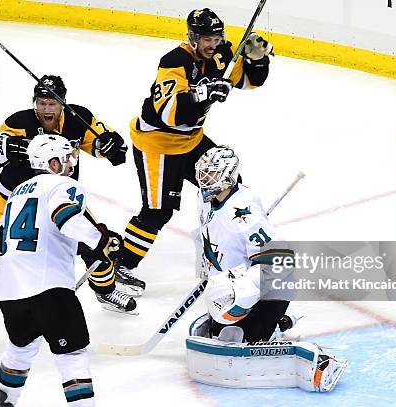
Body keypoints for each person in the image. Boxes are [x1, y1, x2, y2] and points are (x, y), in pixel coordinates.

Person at [0, 75, 129, 336]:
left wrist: (110, 145)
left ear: (63, 104)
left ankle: (107, 292)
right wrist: (5, 148)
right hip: (16, 203)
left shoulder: (79, 119)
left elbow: (114, 151)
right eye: (41, 103)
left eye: (51, 104)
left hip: (59, 198)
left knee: (95, 245)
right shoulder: (19, 123)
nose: (45, 109)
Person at [113, 8, 274, 296]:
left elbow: (249, 80)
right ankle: (120, 265)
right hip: (157, 145)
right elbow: (169, 113)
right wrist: (204, 93)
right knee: (157, 212)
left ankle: (218, 251)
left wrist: (257, 60)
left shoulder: (221, 53)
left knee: (227, 187)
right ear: (193, 37)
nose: (213, 44)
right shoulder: (174, 61)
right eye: (207, 39)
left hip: (192, 140)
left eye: (217, 37)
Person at [185, 146, 347, 393]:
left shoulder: (243, 216)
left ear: (227, 175)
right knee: (223, 335)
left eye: (211, 174)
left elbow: (279, 260)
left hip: (269, 289)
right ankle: (270, 323)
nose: (203, 180)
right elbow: (205, 233)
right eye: (203, 174)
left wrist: (243, 290)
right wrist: (205, 265)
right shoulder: (204, 198)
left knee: (237, 341)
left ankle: (273, 323)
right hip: (230, 285)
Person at [0, 134, 124, 407]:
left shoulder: (17, 192)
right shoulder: (62, 184)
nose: (71, 165)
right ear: (52, 163)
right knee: (72, 357)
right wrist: (101, 240)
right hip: (48, 287)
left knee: (21, 349)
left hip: (9, 289)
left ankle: (5, 402)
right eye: (66, 159)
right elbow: (65, 218)